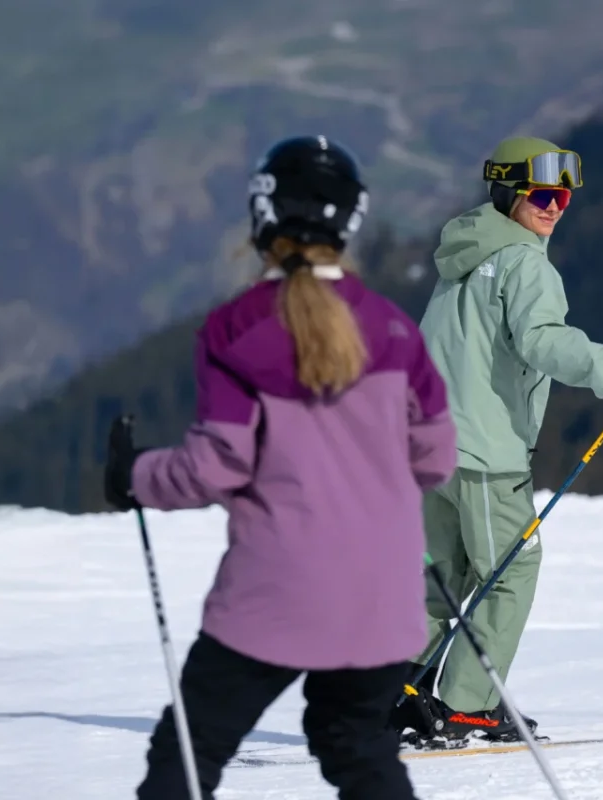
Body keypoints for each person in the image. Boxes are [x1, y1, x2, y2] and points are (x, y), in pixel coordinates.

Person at [104, 134, 457, 800]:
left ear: (260, 217)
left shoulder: (236, 329)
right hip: (381, 597)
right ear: (351, 223)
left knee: (190, 749)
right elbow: (436, 458)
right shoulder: (392, 330)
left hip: (276, 592)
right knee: (358, 748)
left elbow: (215, 467)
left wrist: (134, 475)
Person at [395, 135, 603, 745]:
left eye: (564, 197)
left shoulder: (462, 257)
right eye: (543, 194)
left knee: (445, 574)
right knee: (510, 570)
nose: (555, 207)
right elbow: (544, 340)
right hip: (484, 455)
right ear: (509, 191)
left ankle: (396, 691)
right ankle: (468, 705)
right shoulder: (523, 263)